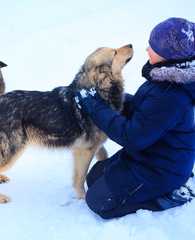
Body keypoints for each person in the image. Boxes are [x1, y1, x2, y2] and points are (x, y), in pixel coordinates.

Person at [75, 17, 195, 219]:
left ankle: (170, 197)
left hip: (161, 168)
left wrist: (94, 107)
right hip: (151, 153)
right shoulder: (165, 78)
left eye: (154, 46)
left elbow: (131, 136)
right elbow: (145, 111)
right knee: (94, 176)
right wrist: (108, 98)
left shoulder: (169, 94)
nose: (147, 48)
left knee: (97, 202)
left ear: (169, 55)